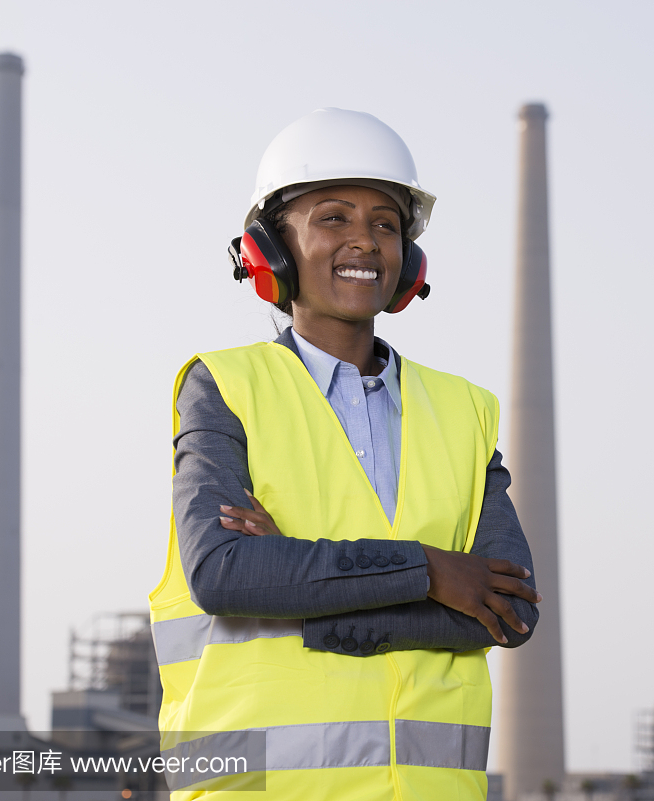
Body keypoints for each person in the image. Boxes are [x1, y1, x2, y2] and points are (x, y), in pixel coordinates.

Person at [149, 108, 540, 800]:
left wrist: (300, 588)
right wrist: (429, 569)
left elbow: (510, 610)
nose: (364, 240)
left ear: (407, 261)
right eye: (333, 218)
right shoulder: (223, 387)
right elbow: (224, 571)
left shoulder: (465, 412)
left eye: (385, 224)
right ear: (271, 249)